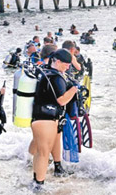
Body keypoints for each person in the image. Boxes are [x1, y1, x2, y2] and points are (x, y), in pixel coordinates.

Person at [30, 49, 77, 190]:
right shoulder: (55, 78)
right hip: (44, 119)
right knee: (43, 153)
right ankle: (38, 185)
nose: (68, 66)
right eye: (66, 64)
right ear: (57, 61)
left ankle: (54, 171)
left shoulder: (47, 72)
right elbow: (62, 100)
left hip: (48, 118)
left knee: (48, 147)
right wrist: (75, 89)